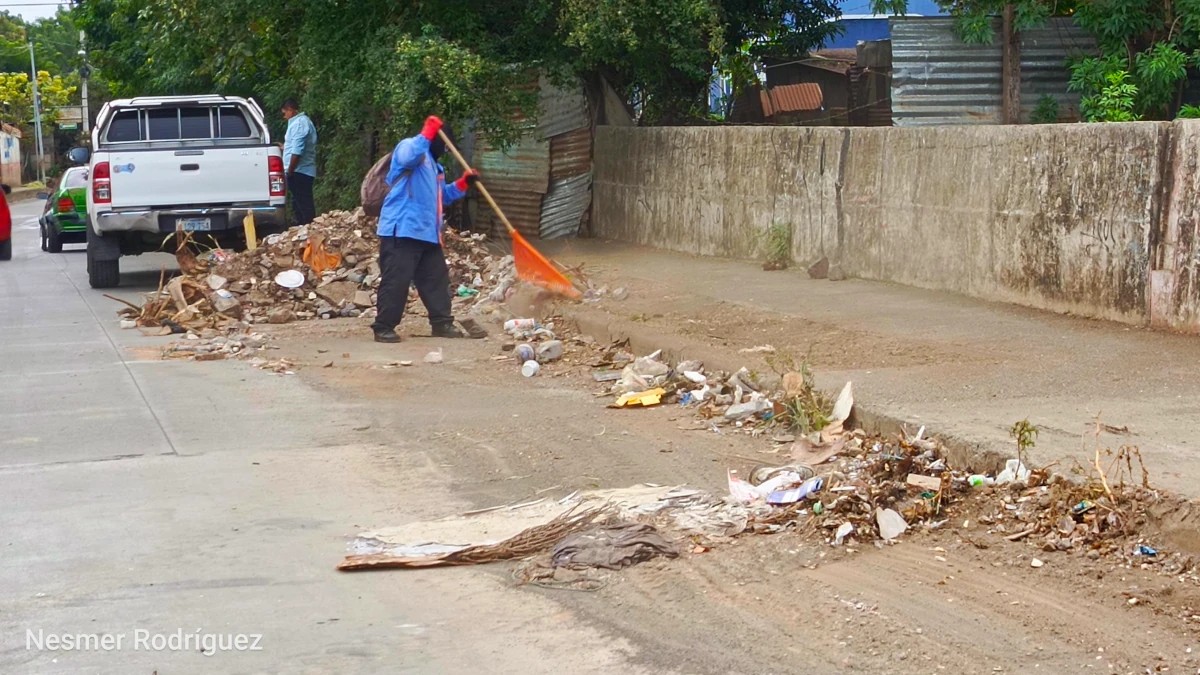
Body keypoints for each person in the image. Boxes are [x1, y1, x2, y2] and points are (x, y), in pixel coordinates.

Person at [370, 115, 480, 343]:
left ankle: (441, 323)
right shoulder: (410, 148)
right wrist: (427, 132)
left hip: (427, 232)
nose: (445, 151)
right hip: (402, 229)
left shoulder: (435, 166)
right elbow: (409, 156)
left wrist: (462, 184)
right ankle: (383, 326)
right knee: (396, 280)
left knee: (436, 280)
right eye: (445, 145)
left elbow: (443, 196)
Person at [281, 98, 318, 225]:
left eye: (284, 112)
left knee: (304, 205)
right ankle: (302, 230)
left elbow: (297, 151)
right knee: (298, 204)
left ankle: (309, 229)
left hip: (300, 171)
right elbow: (294, 146)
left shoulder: (299, 124)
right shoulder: (298, 123)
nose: (284, 116)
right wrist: (284, 147)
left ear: (290, 110)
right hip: (299, 170)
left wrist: (290, 170)